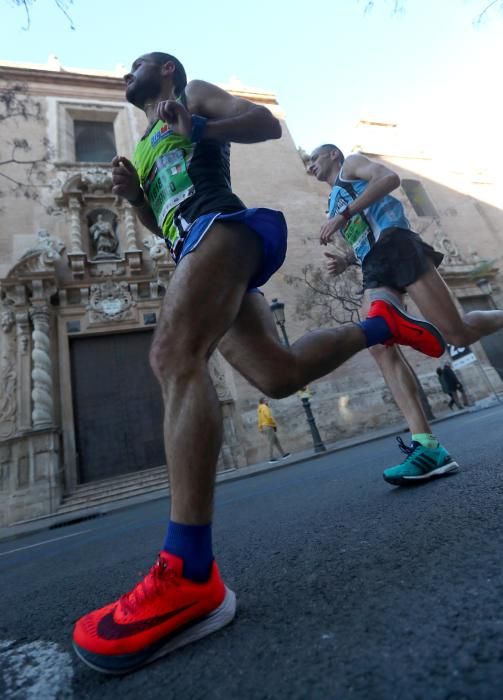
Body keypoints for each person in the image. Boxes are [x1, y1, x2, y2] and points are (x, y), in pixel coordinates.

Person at [72, 52, 447, 675]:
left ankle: (190, 572)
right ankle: (381, 324)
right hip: (188, 245)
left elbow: (263, 125)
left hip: (222, 227)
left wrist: (199, 125)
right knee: (278, 374)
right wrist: (137, 198)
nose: (123, 74)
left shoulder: (195, 95)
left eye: (136, 65)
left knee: (172, 354)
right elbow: (155, 221)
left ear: (166, 69)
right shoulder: (141, 146)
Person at [307, 144, 503, 485]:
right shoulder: (331, 201)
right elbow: (364, 234)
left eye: (315, 159)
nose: (310, 166)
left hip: (397, 243)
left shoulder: (351, 166)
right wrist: (347, 260)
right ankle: (427, 447)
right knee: (379, 345)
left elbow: (389, 178)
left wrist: (344, 214)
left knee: (457, 334)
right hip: (373, 264)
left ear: (333, 156)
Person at [257, 397, 290, 463]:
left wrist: (260, 428)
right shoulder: (265, 407)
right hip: (269, 426)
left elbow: (260, 419)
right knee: (271, 442)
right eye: (266, 400)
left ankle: (283, 454)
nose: (267, 401)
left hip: (265, 426)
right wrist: (274, 425)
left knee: (276, 441)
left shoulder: (260, 409)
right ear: (263, 401)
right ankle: (270, 458)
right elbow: (269, 417)